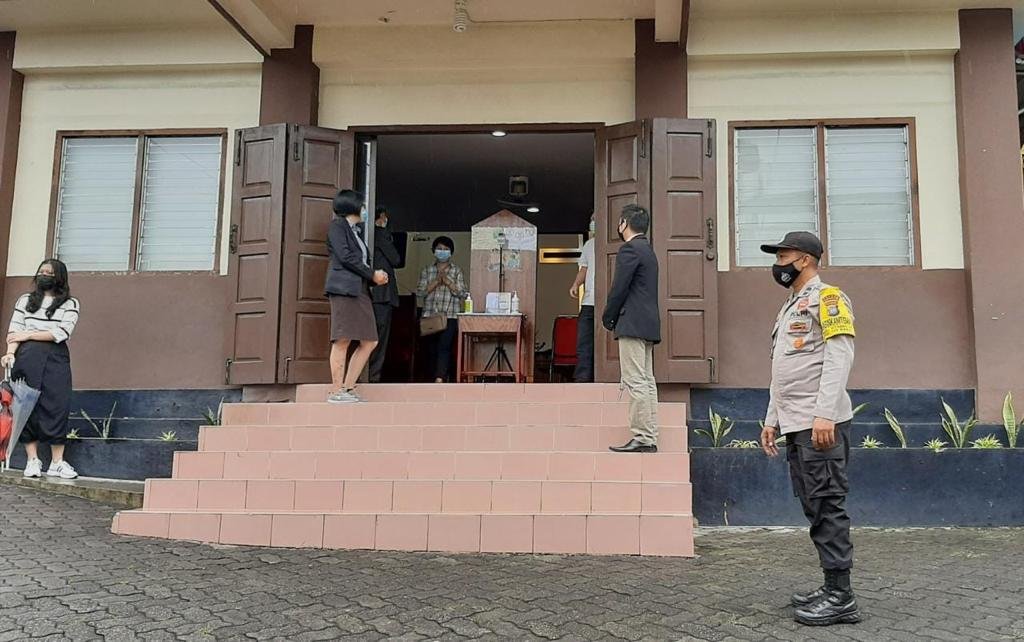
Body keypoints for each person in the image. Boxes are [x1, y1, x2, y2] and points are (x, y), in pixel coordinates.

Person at [758, 231, 860, 627]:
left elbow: (840, 356)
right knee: (814, 504)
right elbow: (782, 370)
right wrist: (772, 420)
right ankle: (830, 585)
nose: (777, 262)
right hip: (797, 422)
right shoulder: (791, 306)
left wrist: (825, 414)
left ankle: (841, 596)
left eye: (783, 255)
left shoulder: (828, 298)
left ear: (804, 259)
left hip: (820, 423)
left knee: (828, 504)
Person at [1, 259, 80, 479]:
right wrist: (10, 352)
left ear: (60, 278)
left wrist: (29, 334)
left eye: (50, 272)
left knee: (58, 405)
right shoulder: (25, 300)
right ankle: (32, 460)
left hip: (56, 358)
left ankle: (57, 462)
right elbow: (15, 330)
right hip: (26, 357)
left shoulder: (70, 303)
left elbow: (61, 332)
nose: (44, 274)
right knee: (26, 406)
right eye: (42, 271)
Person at [603, 205, 660, 453]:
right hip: (647, 324)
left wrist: (608, 317)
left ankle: (642, 437)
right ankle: (649, 434)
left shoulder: (630, 249)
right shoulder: (648, 250)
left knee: (635, 380)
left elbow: (619, 289)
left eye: (619, 222)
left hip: (632, 323)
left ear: (624, 223)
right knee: (647, 380)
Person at [324, 190, 389, 403]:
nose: (365, 210)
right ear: (352, 206)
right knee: (342, 338)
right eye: (362, 206)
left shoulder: (356, 231)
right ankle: (336, 391)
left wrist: (374, 278)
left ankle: (349, 387)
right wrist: (372, 274)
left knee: (369, 340)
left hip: (360, 290)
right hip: (343, 289)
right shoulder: (337, 226)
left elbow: (357, 259)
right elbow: (346, 257)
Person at [416, 236, 467, 383]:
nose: (442, 252)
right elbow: (420, 292)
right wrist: (436, 281)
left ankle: (440, 378)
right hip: (430, 315)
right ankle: (432, 377)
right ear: (433, 251)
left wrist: (448, 282)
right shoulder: (427, 270)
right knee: (431, 349)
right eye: (439, 249)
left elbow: (462, 293)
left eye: (446, 249)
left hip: (450, 316)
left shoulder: (456, 271)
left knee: (444, 347)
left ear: (451, 252)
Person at [367, 206, 401, 383]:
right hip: (381, 294)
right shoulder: (379, 234)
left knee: (368, 336)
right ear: (381, 217)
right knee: (379, 337)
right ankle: (373, 376)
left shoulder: (363, 234)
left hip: (369, 293)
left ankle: (366, 374)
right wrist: (383, 231)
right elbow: (396, 259)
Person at [569, 216, 596, 382]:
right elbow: (584, 268)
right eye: (592, 219)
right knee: (584, 342)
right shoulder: (589, 245)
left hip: (610, 302)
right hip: (588, 302)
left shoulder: (617, 245)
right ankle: (582, 379)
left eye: (595, 218)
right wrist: (575, 284)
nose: (593, 222)